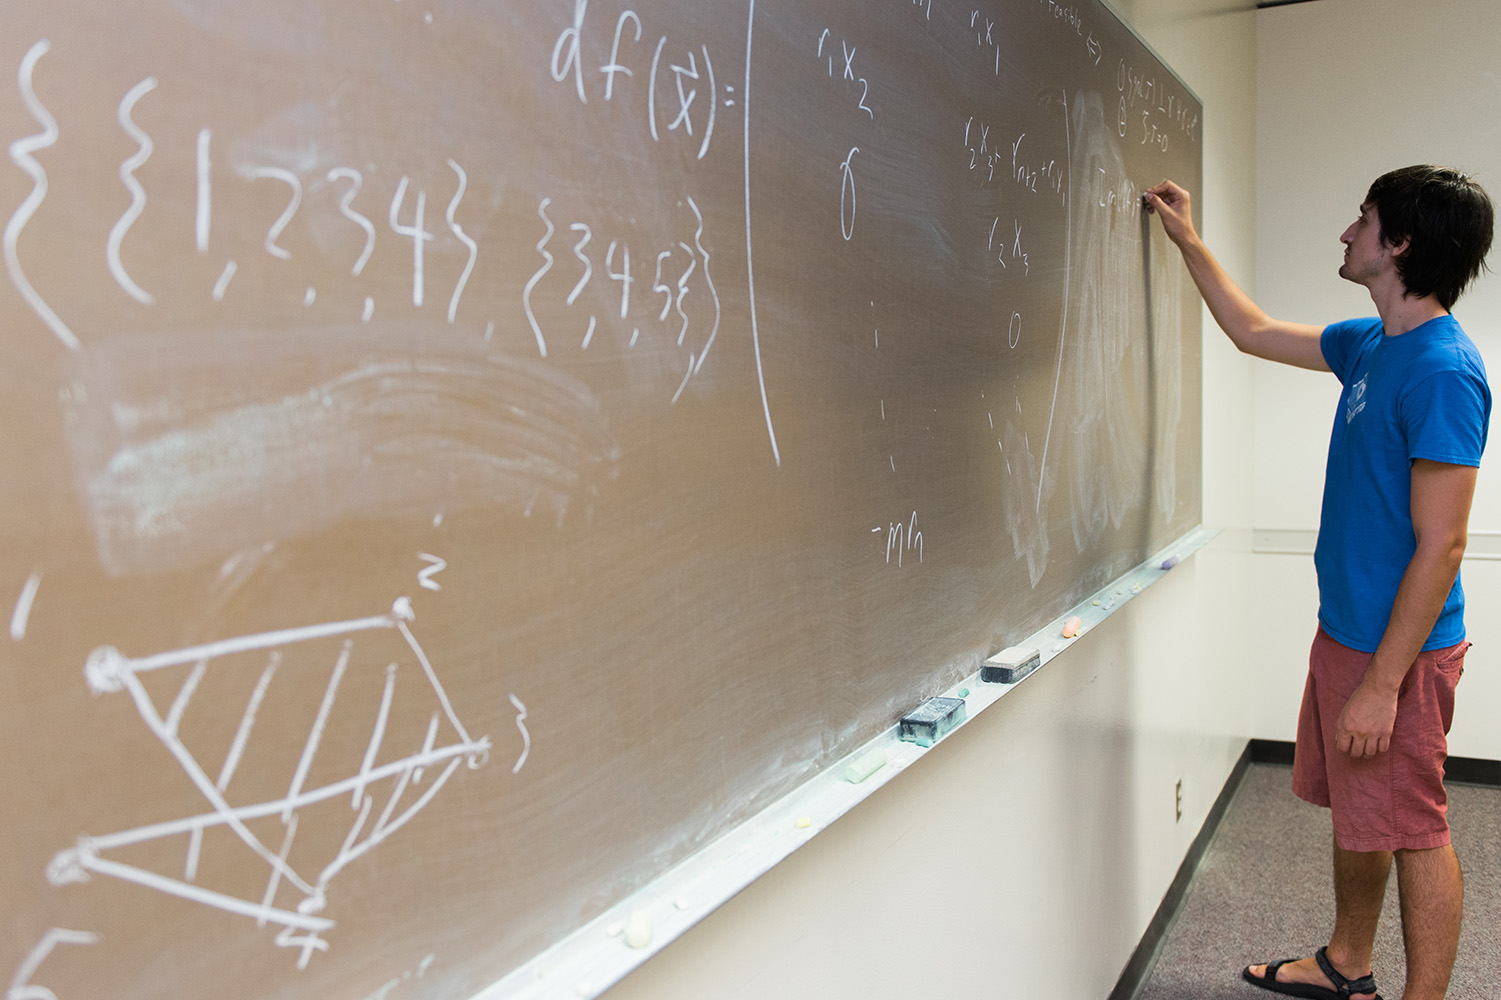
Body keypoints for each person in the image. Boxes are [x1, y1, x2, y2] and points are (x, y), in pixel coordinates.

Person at [1144, 166, 1494, 1000]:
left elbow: (1441, 547)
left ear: (1399, 243)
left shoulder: (1443, 371)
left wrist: (1381, 685)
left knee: (1414, 828)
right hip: (1348, 632)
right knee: (1364, 811)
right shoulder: (1371, 343)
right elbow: (1254, 330)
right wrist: (1188, 238)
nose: (1346, 232)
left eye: (1363, 219)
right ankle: (1346, 962)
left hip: (1395, 657)